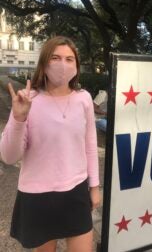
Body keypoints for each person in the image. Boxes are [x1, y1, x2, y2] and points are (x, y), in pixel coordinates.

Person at [0, 36, 100, 252]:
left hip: (76, 190)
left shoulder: (83, 99)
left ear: (76, 65)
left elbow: (90, 146)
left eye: (69, 59)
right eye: (55, 58)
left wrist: (94, 187)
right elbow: (8, 156)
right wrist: (19, 118)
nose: (63, 64)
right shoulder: (28, 100)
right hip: (38, 196)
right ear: (44, 63)